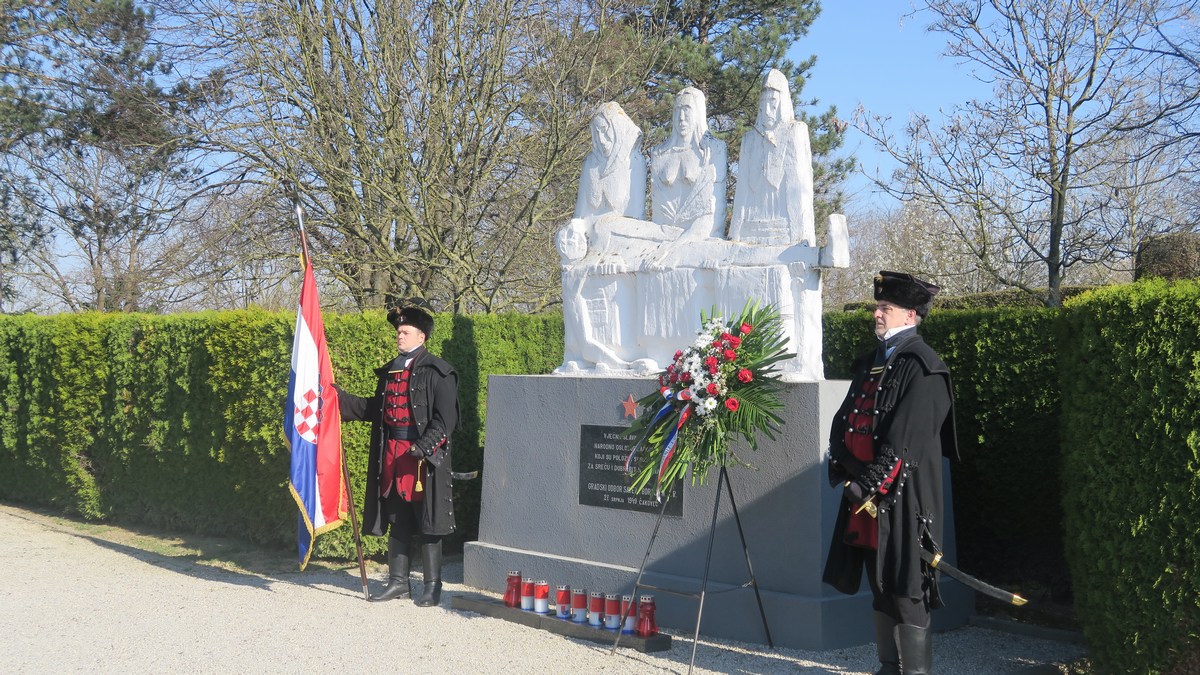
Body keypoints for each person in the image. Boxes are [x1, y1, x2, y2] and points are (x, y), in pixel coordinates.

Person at [823, 271, 959, 675]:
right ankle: (888, 668)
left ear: (911, 315)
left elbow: (906, 441)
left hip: (901, 498)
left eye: (886, 308)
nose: (876, 314)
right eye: (876, 307)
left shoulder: (925, 367)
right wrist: (846, 468)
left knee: (906, 590)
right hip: (864, 497)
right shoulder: (872, 363)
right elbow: (845, 421)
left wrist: (867, 484)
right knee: (879, 585)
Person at [337, 306, 459, 606]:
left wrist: (424, 447)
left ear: (422, 335)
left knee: (429, 522)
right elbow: (374, 411)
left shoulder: (439, 371)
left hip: (424, 459)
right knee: (397, 517)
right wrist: (336, 398)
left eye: (404, 332)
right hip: (392, 454)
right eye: (398, 332)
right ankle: (397, 583)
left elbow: (447, 419)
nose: (399, 336)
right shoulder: (391, 371)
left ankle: (432, 587)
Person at [729, 68, 816, 246]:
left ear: (782, 103)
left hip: (783, 230)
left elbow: (797, 189)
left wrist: (799, 236)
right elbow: (742, 194)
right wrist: (735, 233)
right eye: (763, 102)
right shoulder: (749, 140)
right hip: (750, 227)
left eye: (773, 102)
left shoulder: (795, 132)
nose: (768, 109)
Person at [650, 86, 727, 240]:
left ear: (698, 113)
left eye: (687, 109)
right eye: (677, 110)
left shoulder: (713, 150)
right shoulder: (659, 153)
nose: (682, 118)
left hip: (700, 238)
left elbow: (713, 214)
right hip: (661, 236)